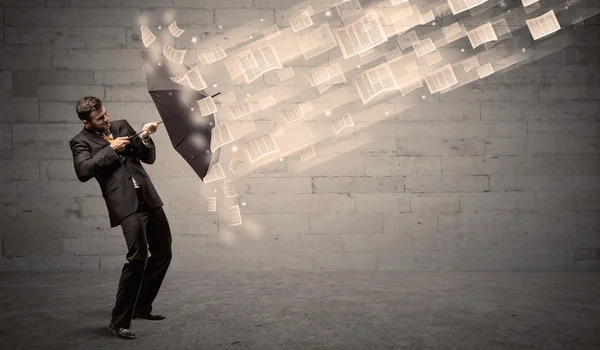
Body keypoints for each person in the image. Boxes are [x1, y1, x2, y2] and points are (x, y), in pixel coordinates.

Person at [69, 96, 172, 340]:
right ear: (86, 123)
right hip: (125, 205)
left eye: (105, 113)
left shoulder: (122, 126)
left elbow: (148, 158)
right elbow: (83, 171)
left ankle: (141, 307)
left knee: (163, 253)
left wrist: (146, 136)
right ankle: (119, 322)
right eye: (99, 118)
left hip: (148, 197)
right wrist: (110, 149)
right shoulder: (79, 142)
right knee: (137, 258)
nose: (106, 119)